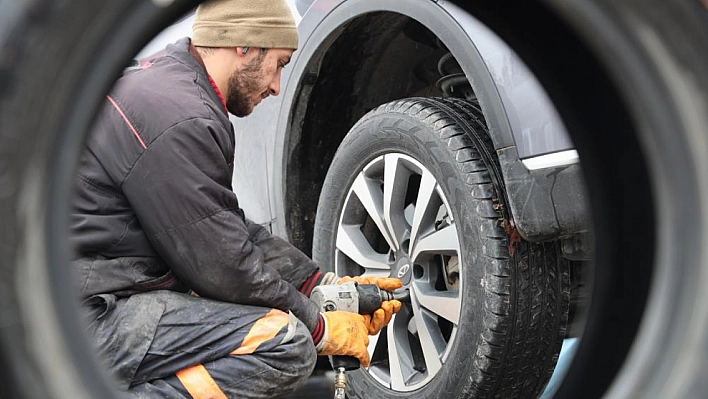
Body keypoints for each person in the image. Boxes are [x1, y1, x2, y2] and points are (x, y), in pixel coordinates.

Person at [70, 0, 402, 397]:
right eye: (279, 63)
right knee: (285, 343)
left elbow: (221, 224)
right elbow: (221, 265)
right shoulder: (182, 118)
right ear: (243, 46)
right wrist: (319, 327)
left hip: (95, 299)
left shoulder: (169, 86)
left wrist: (318, 283)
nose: (277, 86)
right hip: (94, 318)